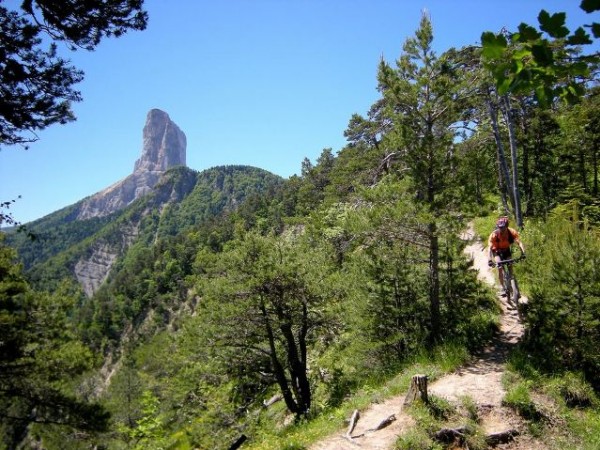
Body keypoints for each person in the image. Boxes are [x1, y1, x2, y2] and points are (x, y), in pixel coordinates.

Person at [487, 216, 526, 296]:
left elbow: (519, 243)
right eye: (499, 228)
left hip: (506, 250)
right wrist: (489, 259)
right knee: (500, 267)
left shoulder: (511, 232)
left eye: (503, 228)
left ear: (506, 226)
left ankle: (513, 284)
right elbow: (489, 248)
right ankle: (502, 288)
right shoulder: (494, 235)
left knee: (510, 264)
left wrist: (523, 253)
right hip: (497, 251)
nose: (501, 229)